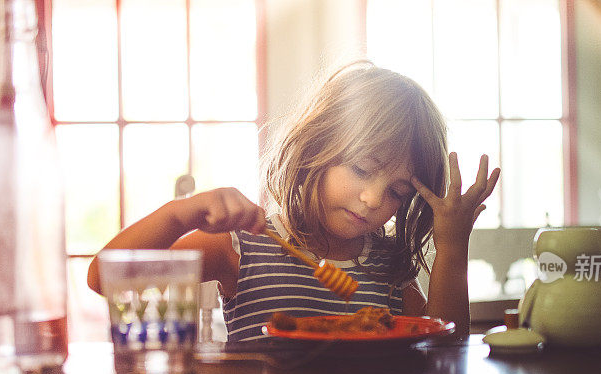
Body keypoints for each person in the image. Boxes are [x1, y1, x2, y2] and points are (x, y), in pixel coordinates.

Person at [87, 62, 499, 341]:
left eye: (397, 192)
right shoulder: (244, 249)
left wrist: (452, 247)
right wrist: (182, 213)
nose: (374, 199)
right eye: (360, 168)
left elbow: (443, 351)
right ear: (315, 145)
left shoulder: (387, 268)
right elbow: (103, 279)